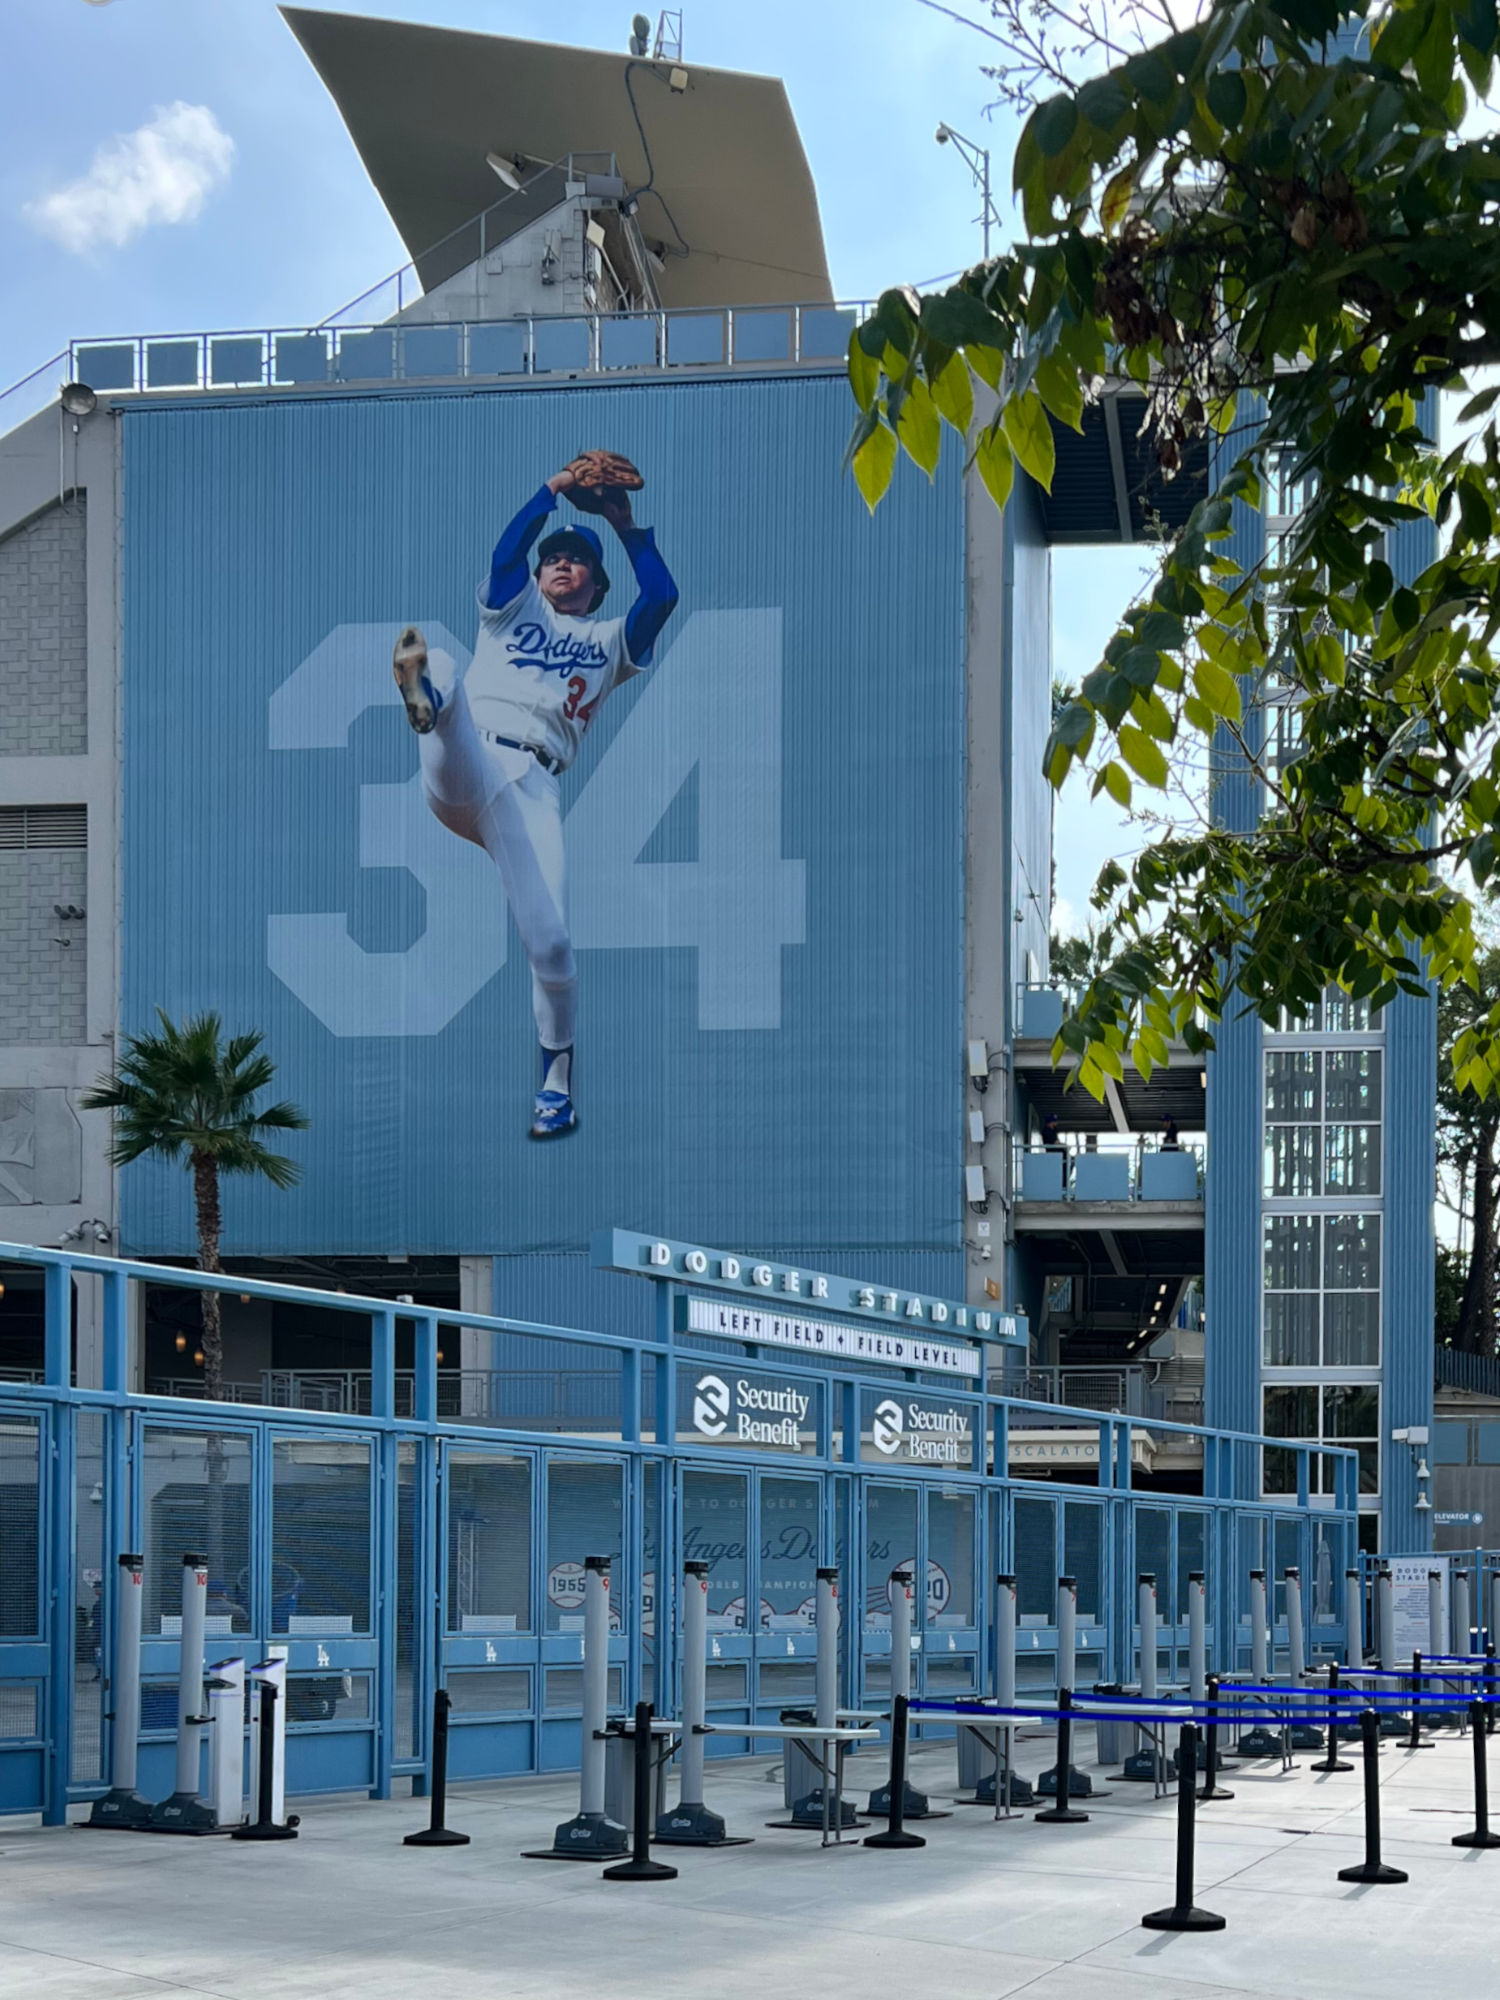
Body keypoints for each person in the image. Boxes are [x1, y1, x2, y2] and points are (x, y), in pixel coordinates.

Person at [393, 453, 679, 1138]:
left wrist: (624, 524)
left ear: (596, 583)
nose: (560, 564)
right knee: (447, 663)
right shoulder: (510, 607)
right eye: (553, 557)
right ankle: (427, 693)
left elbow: (662, 599)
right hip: (468, 759)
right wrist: (551, 490)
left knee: (551, 945)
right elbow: (505, 552)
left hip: (533, 790)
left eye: (576, 561)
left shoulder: (611, 642)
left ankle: (556, 1082)